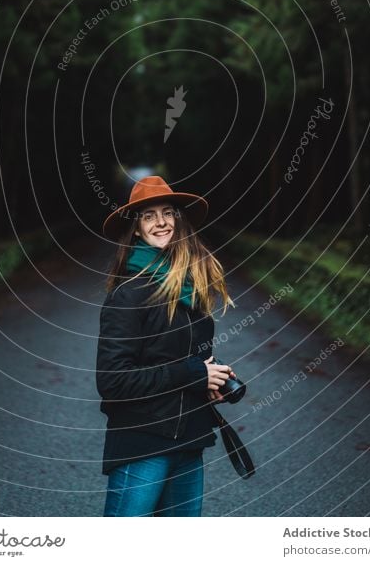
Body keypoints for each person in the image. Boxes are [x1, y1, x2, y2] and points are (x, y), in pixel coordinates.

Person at [96, 174, 236, 517]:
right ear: (138, 230)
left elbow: (187, 359)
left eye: (168, 212)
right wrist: (192, 373)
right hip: (143, 442)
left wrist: (212, 378)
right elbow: (113, 382)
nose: (160, 222)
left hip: (190, 438)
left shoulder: (193, 289)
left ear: (179, 220)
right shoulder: (129, 295)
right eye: (148, 216)